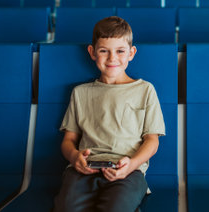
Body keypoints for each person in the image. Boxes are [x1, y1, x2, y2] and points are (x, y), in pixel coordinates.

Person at [53, 16, 165, 212]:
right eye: (104, 51)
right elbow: (68, 141)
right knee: (66, 208)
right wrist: (74, 158)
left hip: (128, 171)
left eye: (120, 51)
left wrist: (132, 165)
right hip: (84, 169)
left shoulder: (145, 90)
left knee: (117, 208)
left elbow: (152, 141)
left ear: (131, 53)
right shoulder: (80, 92)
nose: (112, 58)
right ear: (92, 52)